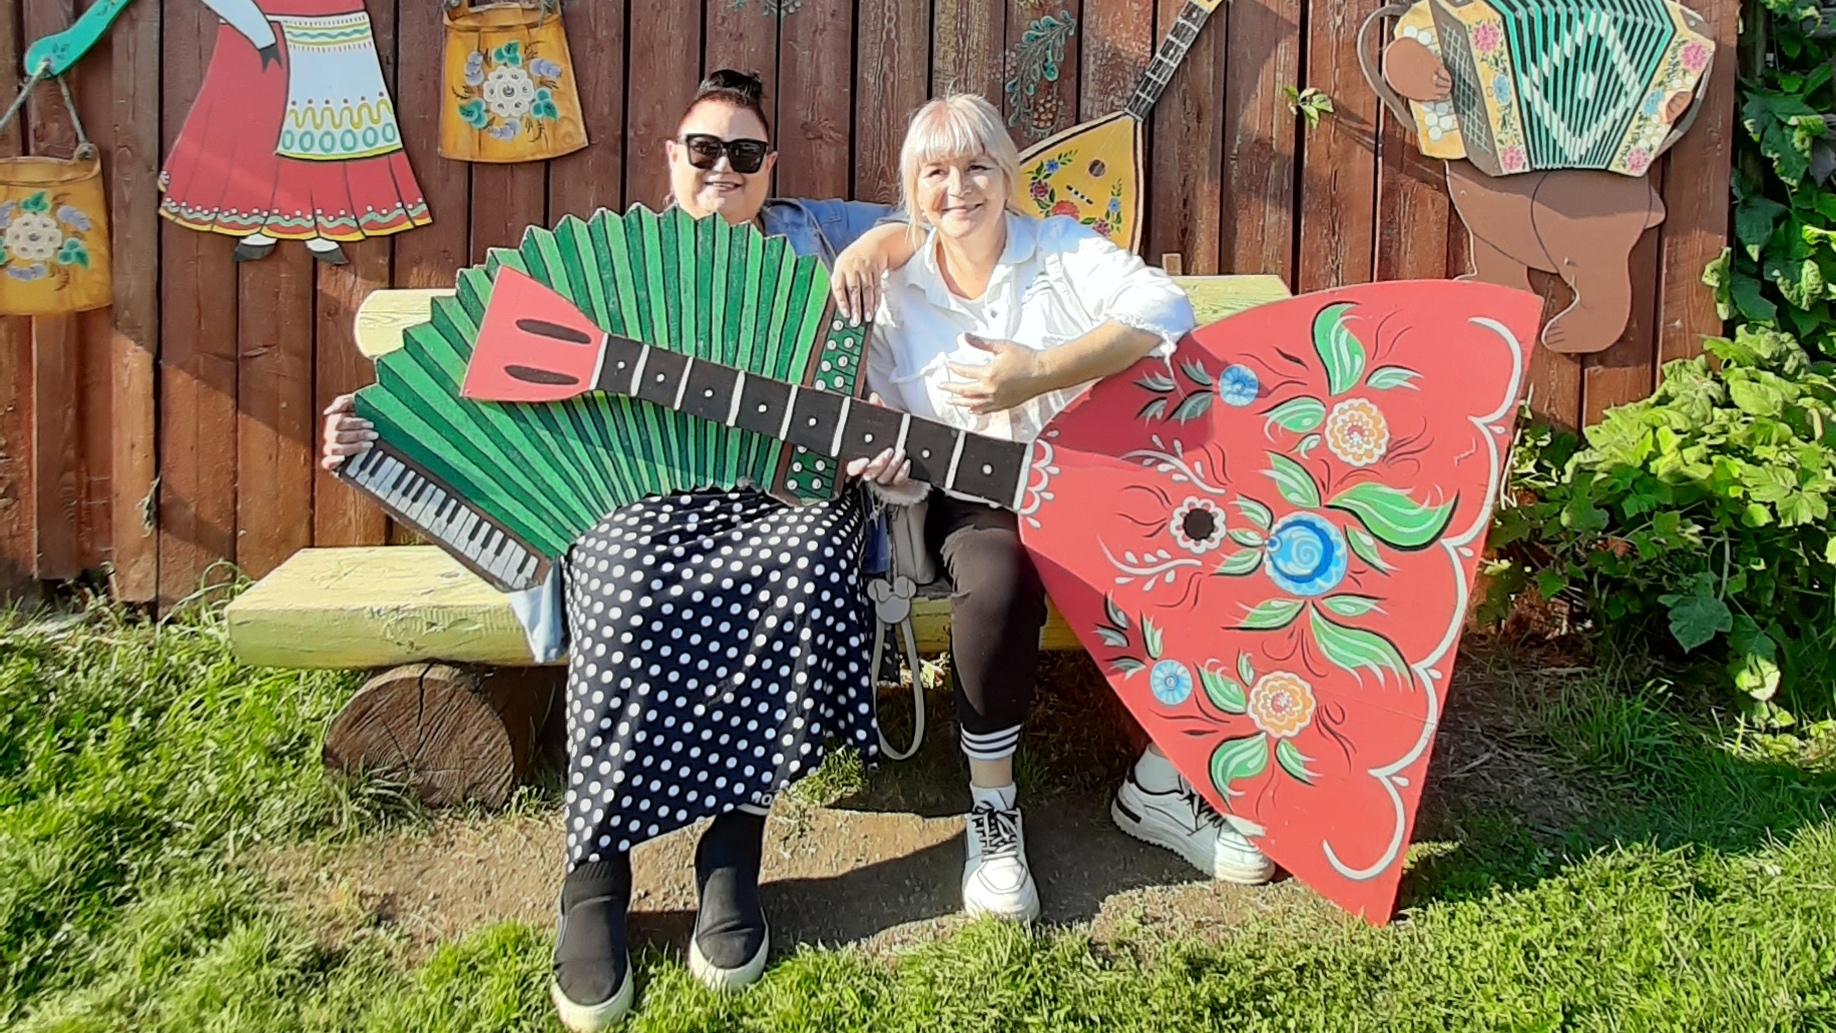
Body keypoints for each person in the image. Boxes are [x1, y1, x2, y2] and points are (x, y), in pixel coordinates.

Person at [321, 70, 911, 1031]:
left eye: (746, 154)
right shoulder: (614, 270)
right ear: (674, 158)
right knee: (624, 585)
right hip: (641, 499)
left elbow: (951, 217)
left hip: (784, 495)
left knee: (808, 565)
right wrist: (380, 431)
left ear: (770, 166)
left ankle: (733, 853)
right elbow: (486, 380)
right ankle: (595, 871)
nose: (724, 169)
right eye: (705, 150)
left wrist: (882, 241)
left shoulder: (817, 234)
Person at [844, 94, 1277, 923]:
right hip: (972, 498)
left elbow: (1164, 311)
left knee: (1204, 550)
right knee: (996, 579)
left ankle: (1163, 782)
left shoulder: (1060, 249)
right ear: (913, 189)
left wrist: (1038, 373)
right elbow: (890, 423)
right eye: (935, 172)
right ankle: (993, 809)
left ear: (1007, 174)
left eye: (977, 166)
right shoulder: (896, 291)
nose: (958, 188)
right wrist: (889, 469)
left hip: (1088, 478)